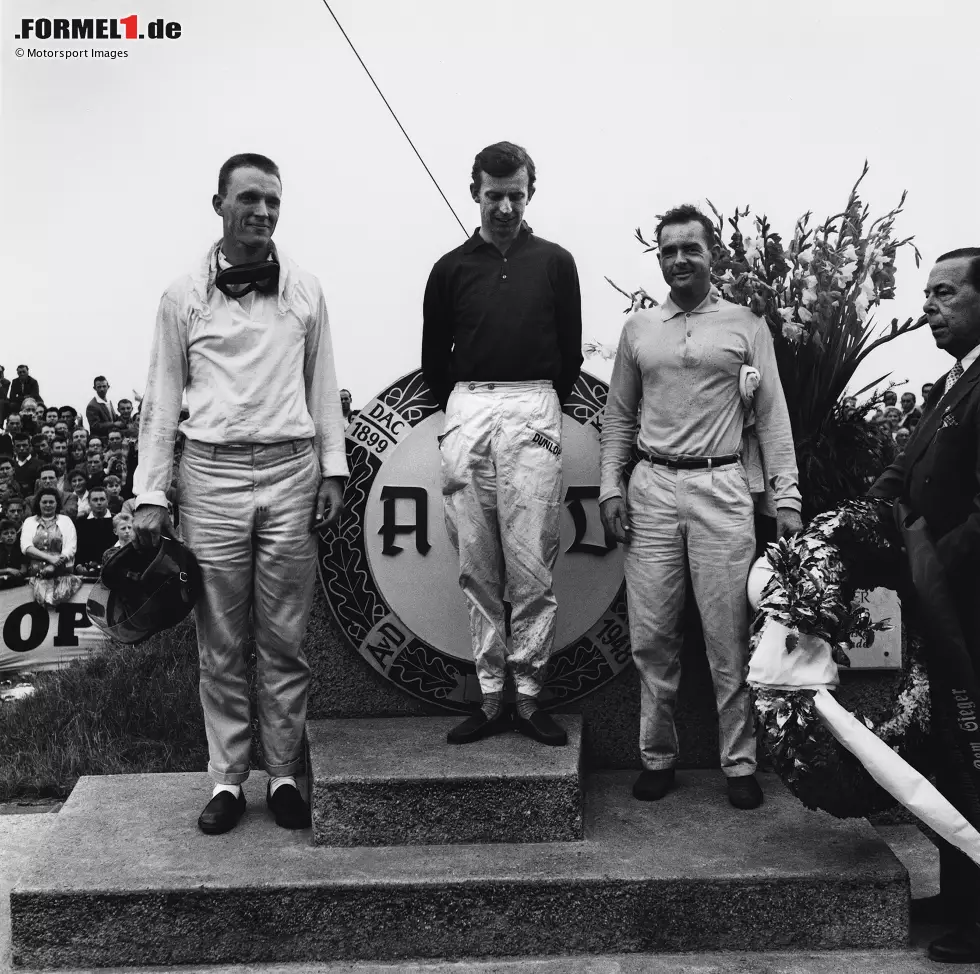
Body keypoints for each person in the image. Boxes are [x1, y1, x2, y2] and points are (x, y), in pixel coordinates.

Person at [132, 152, 348, 836]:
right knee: (219, 643)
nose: (262, 212)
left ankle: (284, 774)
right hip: (211, 476)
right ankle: (227, 779)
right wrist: (151, 493)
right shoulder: (181, 296)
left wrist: (332, 470)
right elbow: (162, 397)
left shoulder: (306, 291)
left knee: (285, 641)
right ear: (219, 204)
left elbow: (323, 383)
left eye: (273, 202)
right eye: (249, 199)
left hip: (290, 472)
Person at [599, 204, 802, 810]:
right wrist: (611, 487)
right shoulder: (640, 330)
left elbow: (772, 416)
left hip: (722, 487)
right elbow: (618, 416)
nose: (680, 259)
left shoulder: (746, 325)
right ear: (658, 259)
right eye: (668, 251)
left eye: (691, 248)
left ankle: (740, 764)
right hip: (654, 487)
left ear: (712, 255)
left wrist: (786, 500)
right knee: (652, 635)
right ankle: (655, 757)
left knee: (728, 634)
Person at [421, 141, 583, 747]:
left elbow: (571, 350)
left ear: (530, 193)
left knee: (533, 560)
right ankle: (491, 697)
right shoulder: (450, 267)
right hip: (467, 406)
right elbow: (433, 359)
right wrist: (466, 406)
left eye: (516, 195)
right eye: (495, 196)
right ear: (476, 194)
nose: (506, 207)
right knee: (477, 561)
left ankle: (532, 696)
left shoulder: (555, 262)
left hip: (535, 403)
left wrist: (536, 402)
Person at [869, 247, 980, 964]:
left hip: (968, 596)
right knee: (951, 745)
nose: (929, 306)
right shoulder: (954, 382)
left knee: (975, 746)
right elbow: (908, 469)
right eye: (926, 293)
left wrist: (936, 562)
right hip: (945, 597)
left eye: (944, 293)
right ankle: (963, 893)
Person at [20, 486, 83, 606]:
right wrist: (50, 558)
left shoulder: (66, 521)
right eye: (44, 502)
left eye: (51, 502)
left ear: (57, 503)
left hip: (61, 575)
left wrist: (55, 566)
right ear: (38, 504)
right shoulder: (29, 521)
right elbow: (26, 547)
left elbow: (70, 548)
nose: (48, 505)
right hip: (35, 576)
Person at [86, 376, 122, 440]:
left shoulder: (108, 401)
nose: (102, 389)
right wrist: (114, 424)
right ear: (94, 388)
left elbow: (112, 417)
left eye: (104, 386)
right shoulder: (92, 406)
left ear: (108, 387)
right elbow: (95, 425)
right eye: (99, 387)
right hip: (100, 440)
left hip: (112, 438)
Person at [0, 518, 25, 589]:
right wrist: (8, 570)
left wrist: (20, 572)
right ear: (0, 537)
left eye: (12, 533)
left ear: (16, 535)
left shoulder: (22, 549)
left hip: (18, 586)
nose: (10, 535)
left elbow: (24, 570)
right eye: (5, 533)